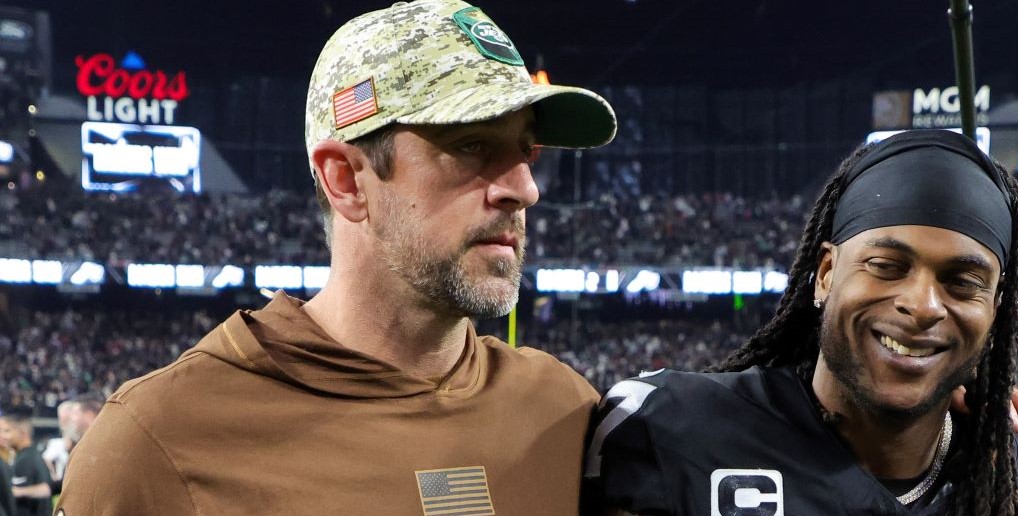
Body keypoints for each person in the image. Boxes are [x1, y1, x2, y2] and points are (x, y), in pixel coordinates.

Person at [58, 0, 616, 514]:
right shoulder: (157, 444)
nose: (524, 189)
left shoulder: (565, 410)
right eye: (472, 146)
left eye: (526, 152)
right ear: (346, 179)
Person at [584, 130, 1018, 515]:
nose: (924, 304)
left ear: (994, 313)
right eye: (887, 266)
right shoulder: (672, 433)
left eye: (963, 281)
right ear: (824, 274)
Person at [0, 414, 51, 516]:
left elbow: (45, 489)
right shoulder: (28, 455)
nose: (2, 436)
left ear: (22, 433)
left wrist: (13, 491)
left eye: (7, 431)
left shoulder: (27, 459)